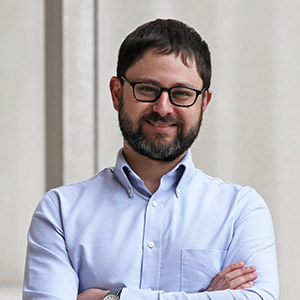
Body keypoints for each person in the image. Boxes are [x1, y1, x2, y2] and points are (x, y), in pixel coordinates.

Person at [23, 19, 279, 300]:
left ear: (203, 103)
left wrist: (114, 298)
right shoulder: (60, 212)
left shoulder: (240, 210)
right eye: (147, 89)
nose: (163, 108)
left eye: (182, 93)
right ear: (117, 93)